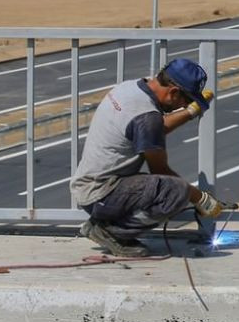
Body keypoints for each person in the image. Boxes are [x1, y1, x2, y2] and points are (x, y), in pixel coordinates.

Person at [70, 58, 229, 257]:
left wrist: (190, 111)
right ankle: (110, 232)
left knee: (168, 188)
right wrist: (202, 200)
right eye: (186, 101)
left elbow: (153, 128)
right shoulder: (147, 118)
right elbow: (160, 170)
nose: (184, 105)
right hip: (102, 193)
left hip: (89, 187)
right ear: (173, 92)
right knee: (175, 192)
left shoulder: (129, 89)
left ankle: (106, 224)